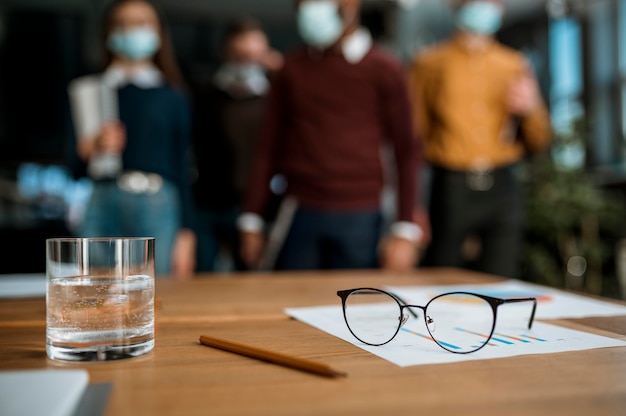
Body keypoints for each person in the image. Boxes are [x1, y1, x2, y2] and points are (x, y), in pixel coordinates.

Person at [237, 0, 427, 271]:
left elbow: (407, 150)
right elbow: (267, 147)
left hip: (362, 213)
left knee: (353, 305)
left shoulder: (386, 68)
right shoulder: (291, 68)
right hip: (300, 210)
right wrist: (251, 219)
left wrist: (405, 230)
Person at [408, 0, 552, 278]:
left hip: (502, 185)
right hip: (451, 185)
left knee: (502, 277)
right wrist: (412, 205)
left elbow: (540, 139)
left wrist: (531, 106)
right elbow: (414, 137)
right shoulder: (428, 63)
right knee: (442, 277)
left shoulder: (514, 64)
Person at [67, 0, 195, 277]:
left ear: (159, 33)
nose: (131, 30)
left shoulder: (172, 96)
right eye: (122, 23)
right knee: (94, 293)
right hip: (101, 199)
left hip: (157, 203)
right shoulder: (90, 92)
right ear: (108, 34)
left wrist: (186, 232)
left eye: (141, 23)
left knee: (148, 294)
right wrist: (93, 146)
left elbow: (182, 165)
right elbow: (73, 168)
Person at [192, 17, 283, 272]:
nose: (246, 62)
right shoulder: (203, 97)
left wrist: (282, 76)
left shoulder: (276, 99)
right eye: (239, 55)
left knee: (253, 281)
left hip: (257, 207)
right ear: (225, 53)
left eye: (254, 56)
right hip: (209, 205)